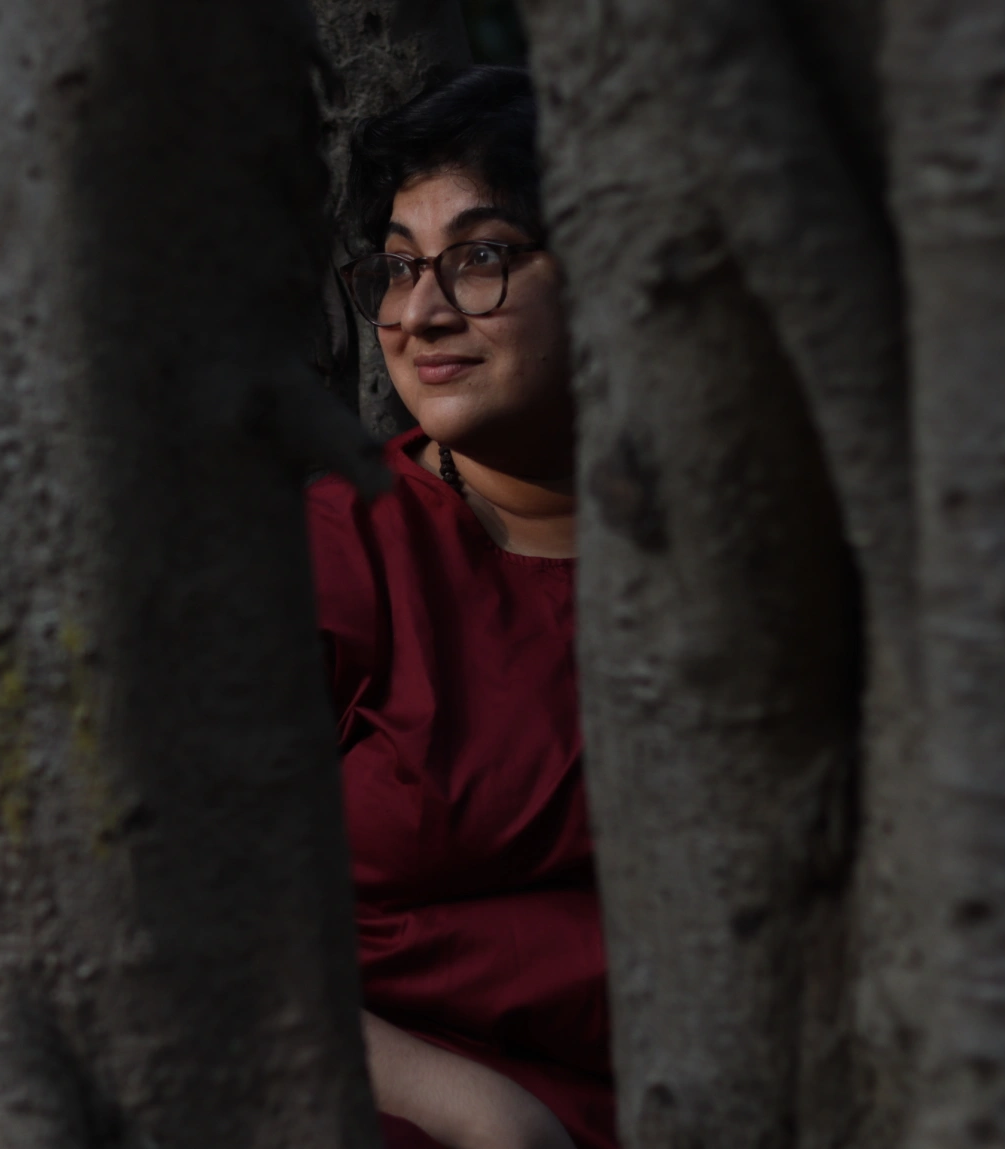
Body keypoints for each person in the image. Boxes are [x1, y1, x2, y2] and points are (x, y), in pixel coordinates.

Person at [307, 66, 615, 1149]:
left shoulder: (753, 557)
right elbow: (172, 917)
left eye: (480, 256)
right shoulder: (339, 549)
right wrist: (490, 1118)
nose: (422, 313)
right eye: (396, 268)